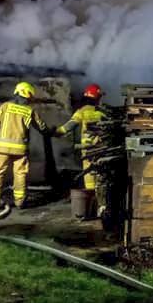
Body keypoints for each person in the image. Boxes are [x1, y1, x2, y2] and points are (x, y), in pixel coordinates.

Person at [0, 81, 50, 210]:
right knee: (20, 174)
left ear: (17, 92)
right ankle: (20, 202)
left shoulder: (5, 107)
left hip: (2, 148)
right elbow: (42, 128)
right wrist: (52, 132)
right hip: (20, 149)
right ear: (29, 96)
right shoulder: (29, 111)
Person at [54, 84, 107, 216]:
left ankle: (92, 207)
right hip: (102, 150)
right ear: (98, 98)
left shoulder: (82, 112)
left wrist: (55, 132)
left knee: (89, 179)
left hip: (88, 151)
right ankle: (102, 206)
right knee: (102, 178)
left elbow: (68, 127)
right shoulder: (102, 112)